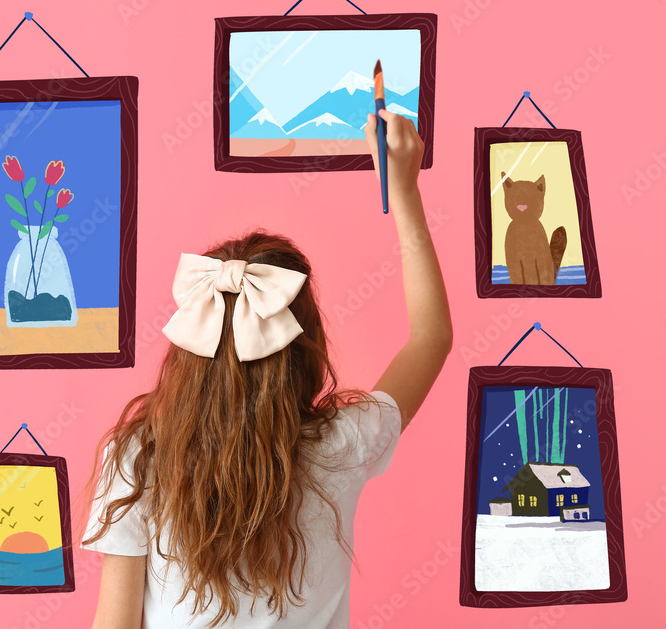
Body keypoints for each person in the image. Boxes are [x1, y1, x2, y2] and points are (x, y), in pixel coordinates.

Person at [81, 109, 452, 628]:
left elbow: (114, 624)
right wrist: (404, 192)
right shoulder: (341, 445)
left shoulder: (138, 455)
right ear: (306, 348)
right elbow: (432, 338)